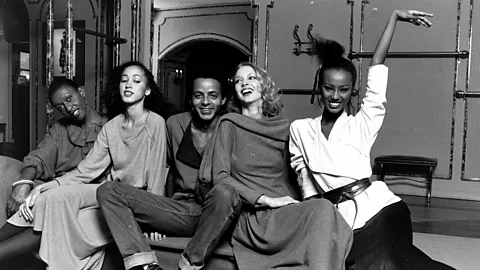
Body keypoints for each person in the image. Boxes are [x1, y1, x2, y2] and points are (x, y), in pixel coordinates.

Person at [289, 10, 454, 269]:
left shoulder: (362, 123)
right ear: (318, 87)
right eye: (328, 88)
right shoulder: (299, 130)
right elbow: (308, 189)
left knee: (386, 260)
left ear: (352, 91)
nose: (335, 96)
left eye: (343, 90)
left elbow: (376, 68)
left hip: (381, 210)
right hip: (341, 223)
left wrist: (394, 18)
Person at [0, 61, 168, 270]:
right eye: (124, 80)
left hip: (131, 198)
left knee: (66, 214)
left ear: (148, 89)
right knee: (50, 197)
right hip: (105, 191)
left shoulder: (156, 124)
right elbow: (85, 171)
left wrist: (156, 219)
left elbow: (158, 174)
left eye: (136, 81)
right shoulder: (111, 127)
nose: (128, 85)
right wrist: (44, 187)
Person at [196, 62, 353, 270]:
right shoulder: (229, 123)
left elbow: (296, 175)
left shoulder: (285, 127)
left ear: (264, 85)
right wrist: (267, 201)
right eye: (238, 81)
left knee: (324, 209)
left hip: (282, 209)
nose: (244, 83)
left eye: (251, 78)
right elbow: (220, 178)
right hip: (253, 214)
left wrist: (301, 205)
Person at [96, 71, 240, 270]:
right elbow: (167, 171)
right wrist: (157, 219)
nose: (205, 102)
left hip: (217, 212)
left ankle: (188, 265)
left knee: (225, 192)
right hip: (183, 211)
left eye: (213, 96)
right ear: (190, 99)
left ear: (223, 99)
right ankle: (145, 267)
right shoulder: (175, 124)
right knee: (108, 190)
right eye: (198, 95)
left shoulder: (232, 126)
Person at [0, 78, 108, 267]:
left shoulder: (111, 127)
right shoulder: (60, 129)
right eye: (60, 106)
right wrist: (23, 184)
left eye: (69, 99)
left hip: (91, 199)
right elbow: (39, 157)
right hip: (57, 194)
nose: (67, 108)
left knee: (51, 206)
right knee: (45, 202)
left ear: (81, 94)